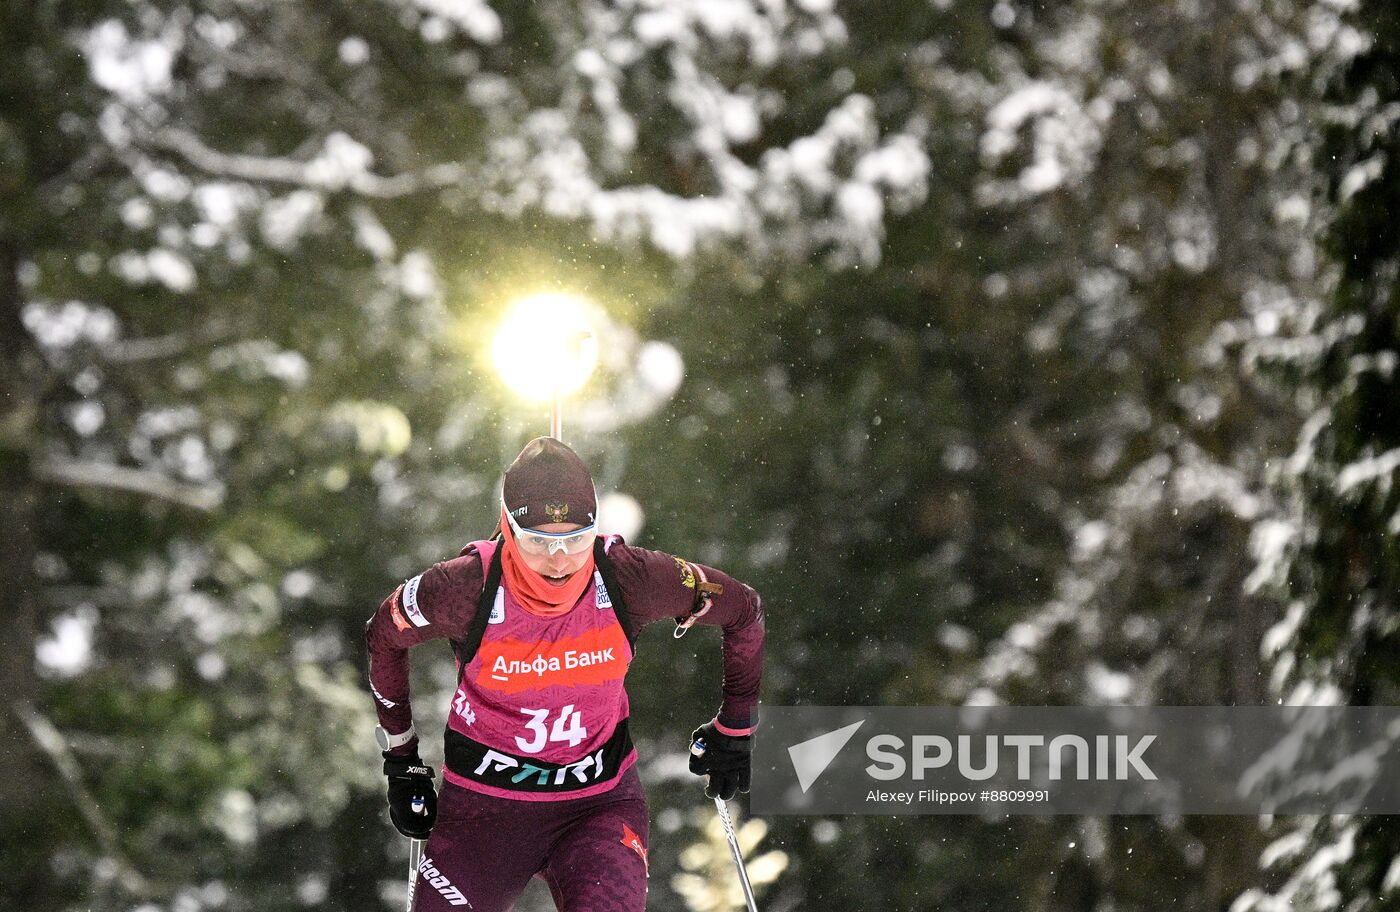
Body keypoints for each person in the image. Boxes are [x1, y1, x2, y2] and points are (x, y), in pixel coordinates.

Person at [364, 437, 765, 911]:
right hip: (483, 813)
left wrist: (736, 726)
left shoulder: (629, 578)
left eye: (577, 538)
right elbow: (383, 635)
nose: (559, 560)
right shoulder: (462, 588)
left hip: (598, 807)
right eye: (538, 541)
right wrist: (402, 759)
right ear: (508, 529)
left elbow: (744, 610)